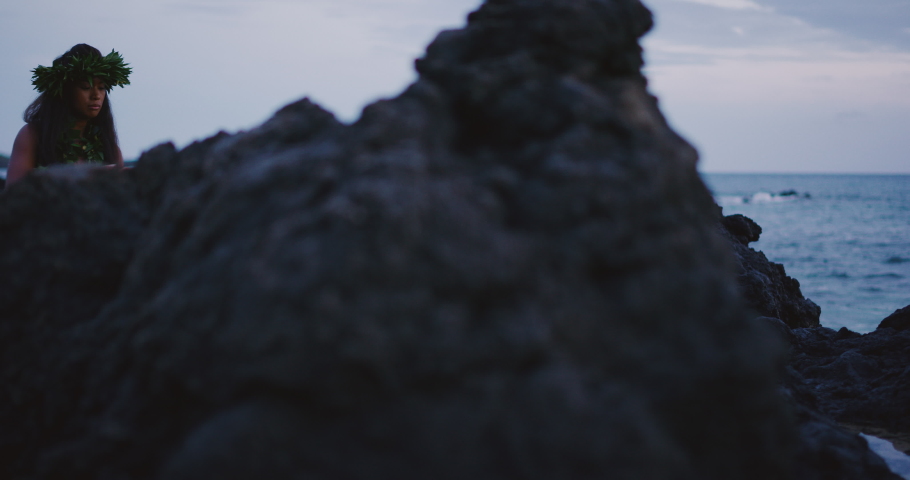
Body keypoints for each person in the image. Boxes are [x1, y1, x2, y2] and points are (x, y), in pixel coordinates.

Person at [5, 44, 131, 187]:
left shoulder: (109, 146)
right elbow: (14, 192)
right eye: (85, 87)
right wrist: (90, 176)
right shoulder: (32, 135)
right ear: (65, 90)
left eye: (102, 88)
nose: (96, 95)